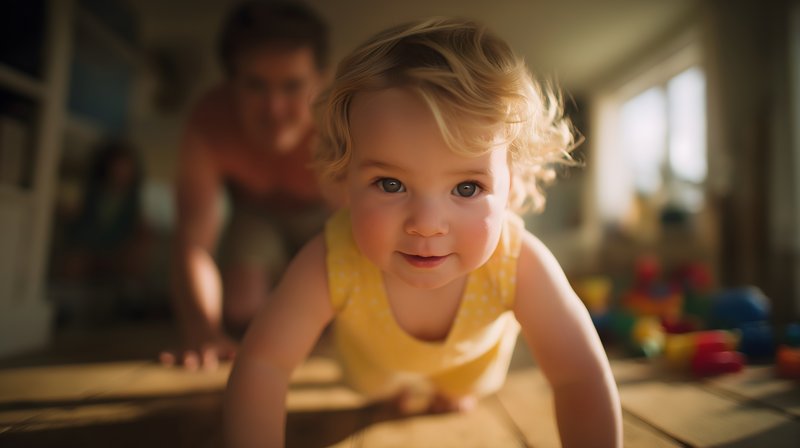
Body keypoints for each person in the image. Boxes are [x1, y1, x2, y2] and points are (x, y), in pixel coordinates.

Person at [225, 18, 622, 447]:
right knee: (379, 392)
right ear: (343, 181)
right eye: (391, 184)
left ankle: (447, 393)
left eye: (467, 188)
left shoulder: (519, 261)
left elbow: (578, 374)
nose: (427, 223)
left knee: (456, 394)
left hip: (469, 375)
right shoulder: (333, 257)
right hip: (370, 376)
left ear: (513, 185)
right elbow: (264, 362)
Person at [163, 1, 332, 370]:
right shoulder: (209, 120)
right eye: (255, 86)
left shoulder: (343, 116)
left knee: (339, 307)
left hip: (330, 217)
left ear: (321, 79)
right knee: (242, 308)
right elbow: (195, 242)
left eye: (292, 86)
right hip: (255, 215)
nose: (274, 109)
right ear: (231, 82)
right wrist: (202, 332)